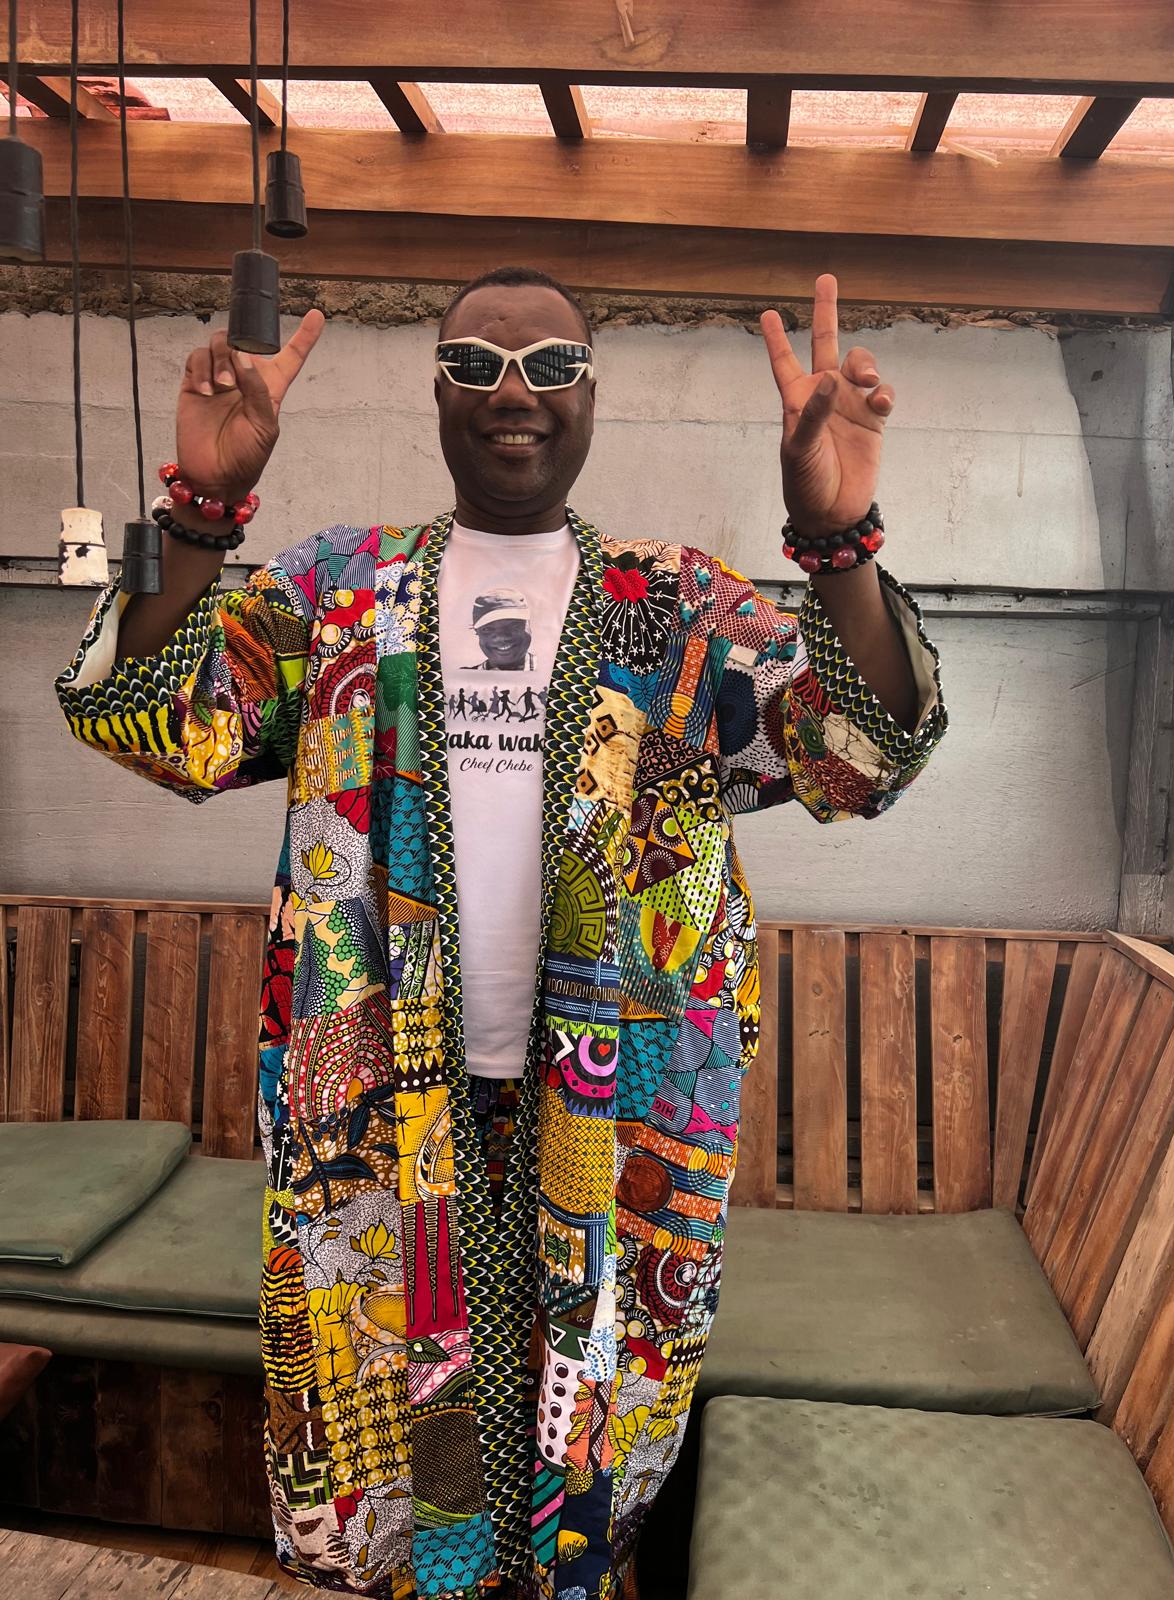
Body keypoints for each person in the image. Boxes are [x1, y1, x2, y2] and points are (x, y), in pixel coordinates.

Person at [56, 266, 946, 1600]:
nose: (512, 392)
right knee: (388, 1448)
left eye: (549, 366)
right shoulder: (339, 591)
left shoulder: (680, 610)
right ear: (436, 393)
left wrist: (841, 543)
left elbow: (858, 756)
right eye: (475, 365)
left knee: (584, 1455)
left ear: (593, 394)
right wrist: (201, 513)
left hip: (623, 1117)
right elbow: (154, 721)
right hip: (380, 1110)